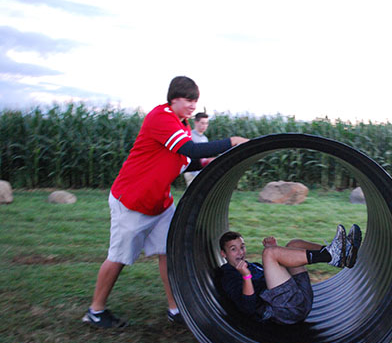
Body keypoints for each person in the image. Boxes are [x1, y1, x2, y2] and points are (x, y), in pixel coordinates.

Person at [82, 76, 249, 328]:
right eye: (188, 99)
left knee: (169, 253)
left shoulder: (181, 125)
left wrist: (208, 162)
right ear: (173, 99)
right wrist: (231, 143)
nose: (193, 105)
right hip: (132, 201)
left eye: (196, 100)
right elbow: (189, 149)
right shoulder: (160, 118)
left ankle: (175, 309)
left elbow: (183, 161)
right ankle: (95, 311)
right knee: (119, 257)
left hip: (160, 203)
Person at [219, 224, 362, 325]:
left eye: (242, 247)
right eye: (233, 249)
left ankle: (340, 254)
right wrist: (246, 276)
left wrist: (275, 251)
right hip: (286, 310)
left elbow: (277, 278)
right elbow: (247, 308)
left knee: (293, 244)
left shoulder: (251, 265)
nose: (240, 252)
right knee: (269, 253)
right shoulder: (228, 275)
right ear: (223, 254)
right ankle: (332, 256)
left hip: (298, 297)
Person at [183, 111, 214, 186]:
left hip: (201, 171)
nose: (205, 126)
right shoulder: (189, 136)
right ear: (196, 122)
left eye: (206, 123)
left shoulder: (205, 138)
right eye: (202, 123)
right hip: (191, 172)